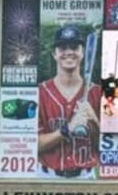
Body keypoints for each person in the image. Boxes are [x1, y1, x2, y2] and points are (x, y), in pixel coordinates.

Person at [38, 26, 100, 178]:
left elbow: (108, 148)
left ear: (83, 52)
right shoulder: (39, 92)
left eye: (74, 47)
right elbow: (32, 145)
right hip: (47, 177)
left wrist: (94, 121)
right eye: (62, 47)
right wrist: (66, 130)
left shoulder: (97, 92)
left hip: (85, 177)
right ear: (54, 54)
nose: (69, 52)